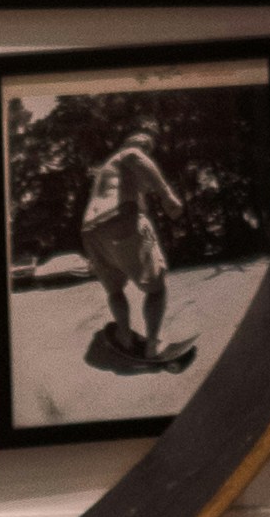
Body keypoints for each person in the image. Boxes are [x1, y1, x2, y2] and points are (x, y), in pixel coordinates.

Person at [78, 123, 193, 373]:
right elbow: (136, 157)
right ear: (128, 141)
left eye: (149, 146)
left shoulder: (107, 172)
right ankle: (152, 345)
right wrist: (167, 195)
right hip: (120, 220)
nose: (146, 146)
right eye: (143, 141)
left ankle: (125, 336)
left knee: (114, 290)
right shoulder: (127, 154)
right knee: (156, 288)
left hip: (90, 231)